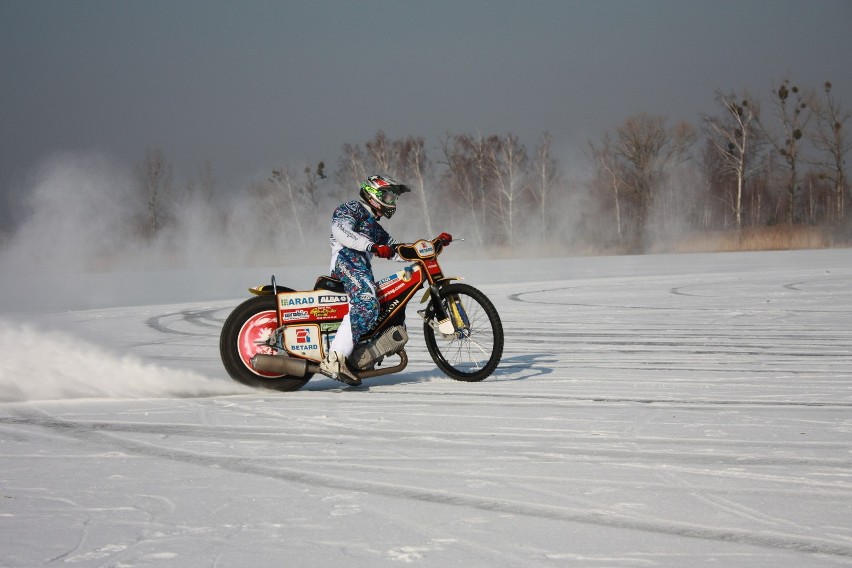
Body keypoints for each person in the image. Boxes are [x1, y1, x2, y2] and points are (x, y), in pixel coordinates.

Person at [319, 174, 451, 386]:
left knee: (385, 302)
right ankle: (334, 359)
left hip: (361, 266)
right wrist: (370, 246)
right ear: (373, 194)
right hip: (346, 260)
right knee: (367, 303)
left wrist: (431, 247)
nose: (392, 202)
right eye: (388, 196)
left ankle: (362, 354)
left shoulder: (375, 226)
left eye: (394, 198)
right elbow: (340, 230)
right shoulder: (352, 208)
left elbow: (397, 250)